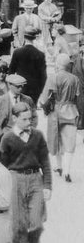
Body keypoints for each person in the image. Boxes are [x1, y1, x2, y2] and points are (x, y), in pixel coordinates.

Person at [0, 98, 51, 243]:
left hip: (35, 178)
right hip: (15, 180)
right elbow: (2, 165)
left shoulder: (37, 136)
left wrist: (47, 186)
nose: (29, 123)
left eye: (30, 119)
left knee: (36, 223)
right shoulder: (7, 138)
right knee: (18, 225)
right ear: (14, 119)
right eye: (24, 119)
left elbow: (45, 160)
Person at [38, 51, 79, 182]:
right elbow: (78, 97)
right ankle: (67, 171)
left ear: (58, 64)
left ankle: (59, 166)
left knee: (56, 140)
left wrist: (45, 108)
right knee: (70, 142)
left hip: (55, 112)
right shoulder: (74, 78)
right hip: (71, 111)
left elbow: (44, 99)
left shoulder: (53, 77)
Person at [9, 25, 48, 107]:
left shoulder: (17, 52)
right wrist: (39, 91)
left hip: (20, 88)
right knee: (32, 114)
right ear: (34, 38)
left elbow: (11, 73)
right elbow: (43, 77)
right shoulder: (40, 54)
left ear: (24, 37)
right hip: (35, 90)